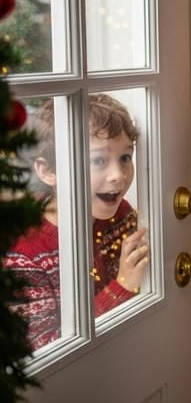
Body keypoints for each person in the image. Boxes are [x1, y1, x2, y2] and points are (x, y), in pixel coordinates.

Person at [4, 93, 149, 350]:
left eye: (125, 157)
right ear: (49, 171)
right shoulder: (25, 253)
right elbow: (45, 349)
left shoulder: (121, 214)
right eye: (98, 160)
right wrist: (123, 286)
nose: (118, 175)